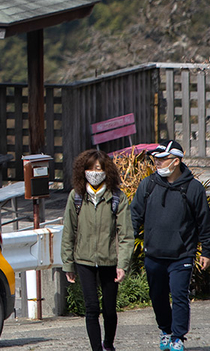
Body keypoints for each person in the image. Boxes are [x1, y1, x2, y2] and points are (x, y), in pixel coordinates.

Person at [131, 140, 210, 351]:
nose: (157, 163)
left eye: (162, 159)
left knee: (179, 295)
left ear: (176, 161)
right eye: (155, 160)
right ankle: (165, 330)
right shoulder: (147, 185)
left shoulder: (193, 188)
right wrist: (126, 246)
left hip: (182, 254)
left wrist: (206, 250)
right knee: (157, 296)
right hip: (154, 254)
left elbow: (203, 221)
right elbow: (134, 217)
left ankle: (178, 336)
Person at [62, 149, 134, 351]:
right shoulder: (76, 197)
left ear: (106, 171)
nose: (94, 173)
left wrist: (123, 264)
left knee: (109, 310)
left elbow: (126, 235)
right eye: (91, 169)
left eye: (99, 169)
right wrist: (68, 263)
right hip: (83, 260)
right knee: (91, 309)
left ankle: (108, 344)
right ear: (83, 171)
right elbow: (69, 230)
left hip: (109, 261)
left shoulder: (117, 198)